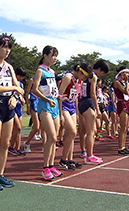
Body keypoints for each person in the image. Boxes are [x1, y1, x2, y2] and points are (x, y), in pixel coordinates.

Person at [0, 35, 24, 190]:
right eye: (4, 46)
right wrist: (14, 89)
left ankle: (0, 175)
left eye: (9, 47)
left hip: (9, 106)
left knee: (5, 144)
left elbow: (18, 88)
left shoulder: (9, 67)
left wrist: (14, 96)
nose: (7, 50)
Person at [32, 45, 63, 180]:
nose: (55, 58)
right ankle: (45, 168)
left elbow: (54, 90)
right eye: (52, 55)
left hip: (54, 105)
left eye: (56, 55)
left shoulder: (52, 72)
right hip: (45, 105)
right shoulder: (40, 70)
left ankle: (51, 165)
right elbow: (35, 90)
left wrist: (59, 98)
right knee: (50, 136)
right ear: (45, 55)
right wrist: (47, 99)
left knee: (54, 138)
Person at [58, 63, 90, 170]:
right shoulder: (68, 77)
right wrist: (61, 114)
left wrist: (76, 112)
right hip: (64, 106)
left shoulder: (78, 81)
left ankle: (69, 158)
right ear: (80, 72)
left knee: (72, 134)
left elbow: (76, 97)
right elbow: (59, 95)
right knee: (71, 131)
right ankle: (63, 159)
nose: (84, 78)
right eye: (84, 76)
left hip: (72, 106)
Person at [78, 60, 109, 163]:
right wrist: (97, 109)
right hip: (88, 103)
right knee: (91, 132)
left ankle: (84, 151)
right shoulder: (93, 77)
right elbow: (93, 93)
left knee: (83, 131)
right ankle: (90, 155)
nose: (101, 75)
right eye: (102, 73)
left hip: (82, 102)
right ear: (99, 69)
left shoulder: (86, 76)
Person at [113, 66, 129, 155]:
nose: (128, 75)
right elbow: (126, 92)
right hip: (122, 103)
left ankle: (124, 146)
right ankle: (120, 147)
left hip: (127, 103)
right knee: (123, 127)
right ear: (122, 73)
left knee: (126, 127)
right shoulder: (117, 82)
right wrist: (128, 84)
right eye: (126, 73)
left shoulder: (124, 83)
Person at [9, 67, 27, 156]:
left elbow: (20, 95)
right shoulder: (10, 83)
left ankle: (18, 147)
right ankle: (11, 147)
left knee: (18, 130)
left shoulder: (21, 84)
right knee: (18, 127)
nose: (20, 79)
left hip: (18, 107)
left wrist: (22, 99)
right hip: (12, 107)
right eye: (19, 76)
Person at [23, 77, 44, 153]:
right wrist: (28, 106)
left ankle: (45, 146)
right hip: (34, 103)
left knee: (43, 127)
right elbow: (27, 93)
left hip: (41, 103)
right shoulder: (32, 80)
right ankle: (27, 143)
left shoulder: (44, 79)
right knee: (36, 127)